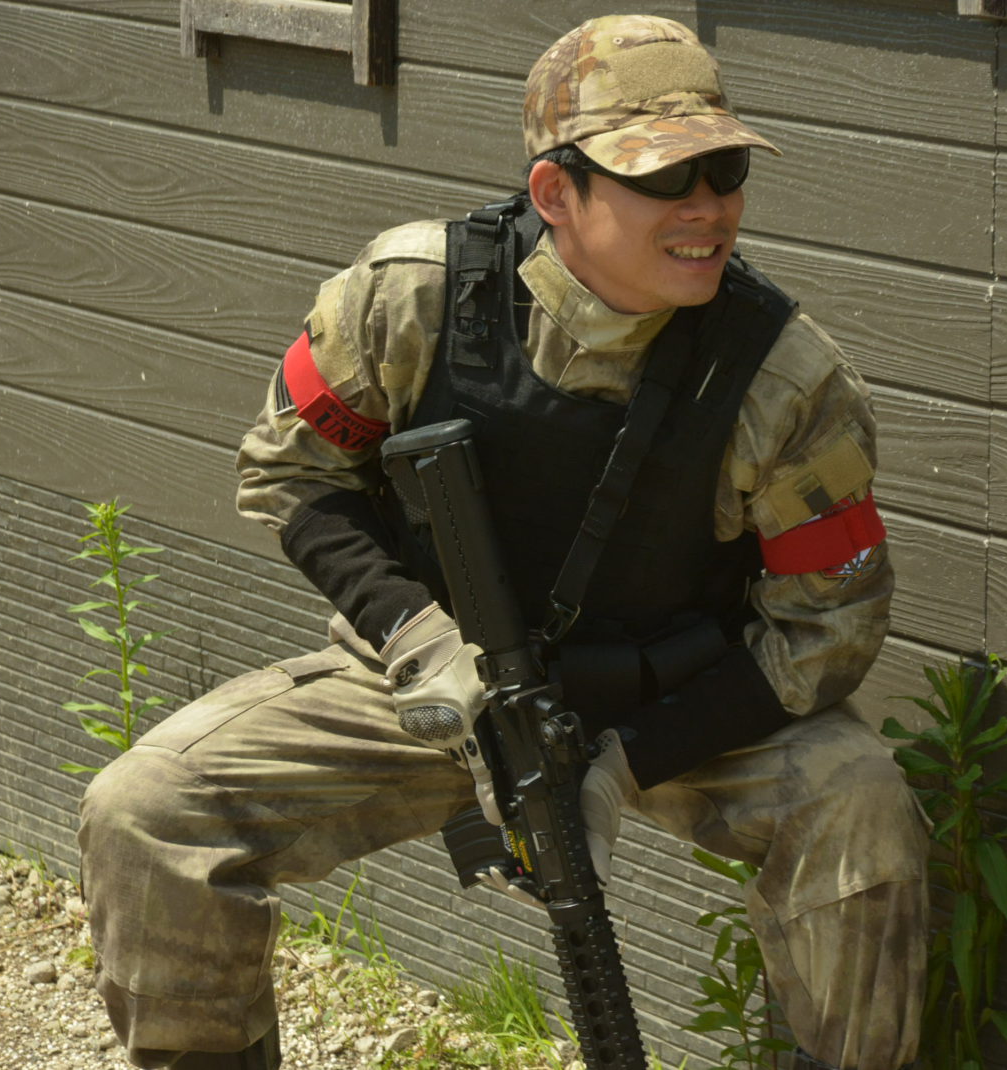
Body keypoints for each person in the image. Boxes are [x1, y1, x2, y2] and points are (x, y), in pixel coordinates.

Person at [79, 14, 928, 1070]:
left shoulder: (784, 378)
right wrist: (419, 638)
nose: (709, 207)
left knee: (859, 806)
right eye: (664, 178)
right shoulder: (413, 297)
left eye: (725, 171)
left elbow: (824, 631)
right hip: (437, 685)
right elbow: (293, 473)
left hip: (674, 702)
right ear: (554, 193)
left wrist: (623, 765)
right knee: (148, 811)